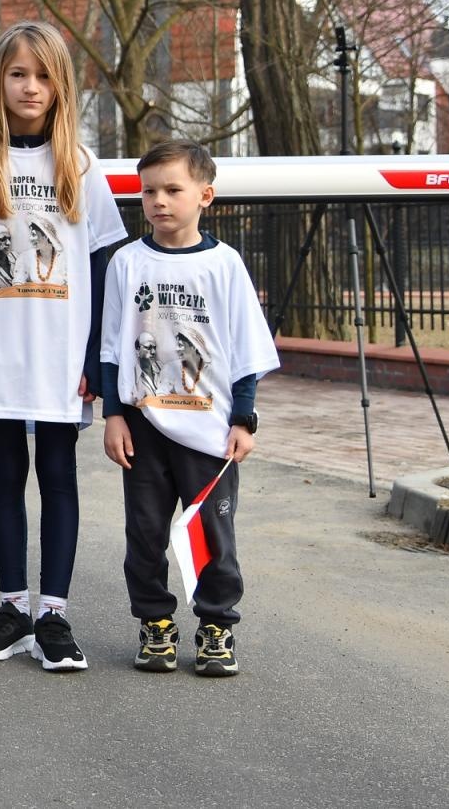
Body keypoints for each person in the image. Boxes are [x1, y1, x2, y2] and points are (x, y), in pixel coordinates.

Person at [0, 20, 127, 672]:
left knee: (58, 474)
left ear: (61, 84)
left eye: (42, 75)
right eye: (17, 74)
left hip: (62, 354)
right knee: (6, 474)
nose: (30, 86)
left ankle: (53, 617)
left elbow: (104, 263)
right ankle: (13, 608)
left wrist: (97, 355)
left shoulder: (82, 165)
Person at [101, 140, 278, 676]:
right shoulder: (126, 263)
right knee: (145, 537)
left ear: (205, 195)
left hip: (208, 431)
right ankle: (155, 625)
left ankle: (216, 627)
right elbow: (112, 345)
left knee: (211, 538)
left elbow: (245, 349)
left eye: (172, 190)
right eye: (148, 190)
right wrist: (113, 415)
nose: (158, 200)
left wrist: (243, 419)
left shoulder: (224, 266)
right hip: (144, 426)